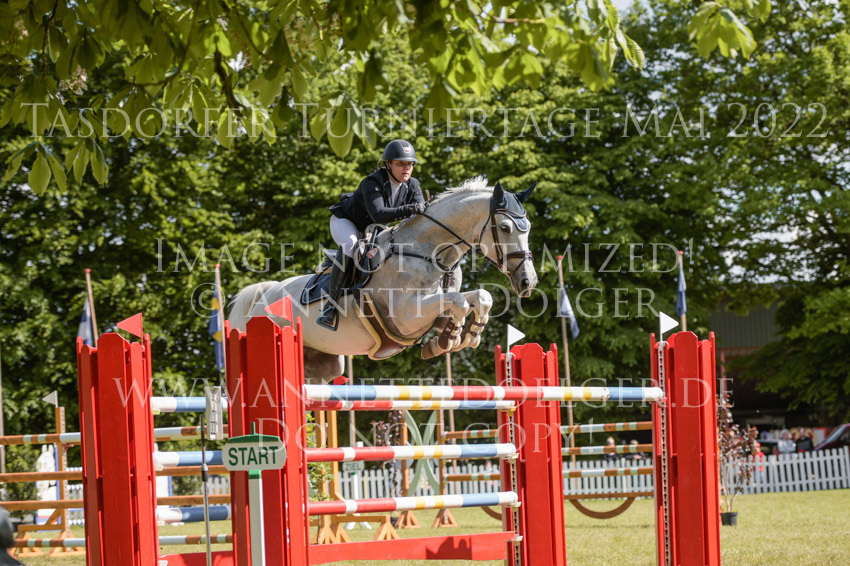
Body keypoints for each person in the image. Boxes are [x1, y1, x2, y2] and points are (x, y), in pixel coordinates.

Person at [318, 139, 427, 329]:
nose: (406, 168)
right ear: (388, 164)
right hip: (347, 222)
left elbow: (420, 214)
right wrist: (410, 209)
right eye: (400, 164)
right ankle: (330, 306)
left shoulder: (413, 185)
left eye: (409, 164)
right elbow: (379, 214)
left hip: (375, 229)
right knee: (351, 247)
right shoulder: (373, 182)